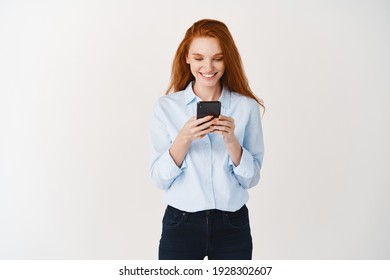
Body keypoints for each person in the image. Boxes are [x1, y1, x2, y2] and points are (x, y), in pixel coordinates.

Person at [149, 19, 264, 260]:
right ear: (187, 58)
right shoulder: (166, 108)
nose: (208, 67)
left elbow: (251, 179)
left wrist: (232, 141)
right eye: (199, 58)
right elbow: (159, 179)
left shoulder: (246, 107)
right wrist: (184, 138)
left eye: (217, 58)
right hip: (180, 224)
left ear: (227, 59)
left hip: (232, 225)